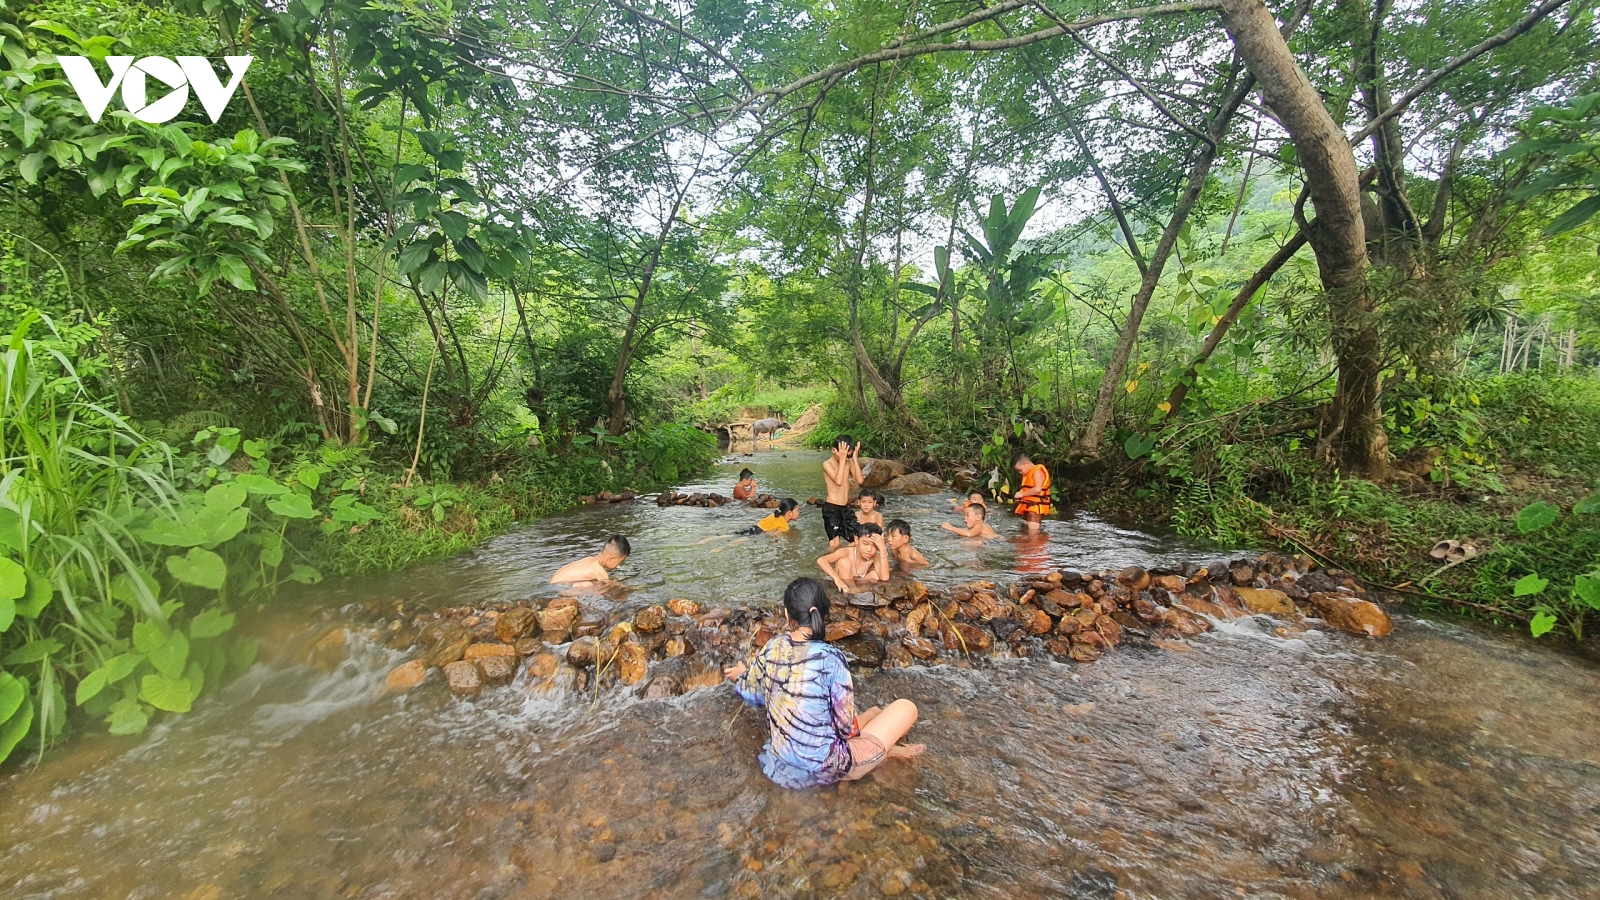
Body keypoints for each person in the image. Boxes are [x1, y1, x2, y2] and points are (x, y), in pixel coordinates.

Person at [723, 577, 923, 789]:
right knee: (906, 708)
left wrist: (742, 674)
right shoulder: (831, 658)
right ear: (823, 613)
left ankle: (882, 747)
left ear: (786, 613)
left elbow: (751, 692)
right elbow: (845, 730)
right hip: (826, 768)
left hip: (781, 762)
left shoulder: (774, 645)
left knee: (874, 712)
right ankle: (884, 754)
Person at [696, 499, 801, 552]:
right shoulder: (785, 525)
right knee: (739, 541)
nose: (799, 512)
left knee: (732, 535)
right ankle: (719, 549)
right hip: (758, 533)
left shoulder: (775, 514)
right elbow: (776, 534)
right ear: (789, 513)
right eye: (797, 510)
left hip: (753, 527)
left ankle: (704, 541)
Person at [817, 523, 890, 593]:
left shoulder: (875, 556)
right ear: (857, 540)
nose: (869, 549)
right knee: (844, 562)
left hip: (859, 584)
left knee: (875, 575)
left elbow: (884, 578)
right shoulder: (846, 552)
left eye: (874, 545)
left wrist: (883, 549)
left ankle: (856, 592)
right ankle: (852, 592)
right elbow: (821, 560)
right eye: (865, 544)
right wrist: (837, 579)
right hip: (842, 583)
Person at [821, 435, 864, 549]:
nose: (845, 457)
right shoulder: (827, 464)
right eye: (843, 454)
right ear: (834, 450)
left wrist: (854, 459)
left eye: (847, 454)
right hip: (831, 509)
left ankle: (851, 561)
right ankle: (834, 563)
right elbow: (838, 481)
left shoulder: (848, 462)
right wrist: (842, 460)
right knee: (835, 543)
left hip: (845, 508)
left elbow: (860, 480)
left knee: (859, 536)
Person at [549, 535, 631, 584]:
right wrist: (633, 589)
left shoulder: (589, 559)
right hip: (559, 587)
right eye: (620, 562)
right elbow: (612, 586)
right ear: (611, 559)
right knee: (589, 586)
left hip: (552, 582)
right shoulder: (599, 570)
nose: (619, 565)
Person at [1012, 452, 1053, 534]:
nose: (1020, 473)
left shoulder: (1037, 471)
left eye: (1020, 470)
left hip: (1035, 508)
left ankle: (1036, 545)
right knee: (1024, 530)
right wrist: (1020, 494)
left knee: (1033, 534)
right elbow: (1027, 489)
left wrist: (1022, 494)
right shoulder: (1028, 473)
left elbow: (1037, 489)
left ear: (1027, 463)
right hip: (1029, 506)